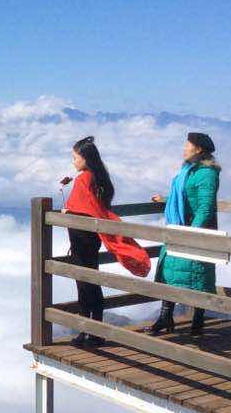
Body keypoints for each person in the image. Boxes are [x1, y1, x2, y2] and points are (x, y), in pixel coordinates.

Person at [59, 136, 151, 348]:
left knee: (83, 282)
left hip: (81, 237)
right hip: (94, 237)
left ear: (85, 158)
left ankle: (85, 331)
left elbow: (83, 207)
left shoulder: (83, 178)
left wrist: (67, 211)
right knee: (94, 280)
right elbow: (96, 207)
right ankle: (96, 330)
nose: (73, 162)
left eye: (75, 158)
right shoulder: (100, 177)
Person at [148, 132, 221, 335]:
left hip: (196, 232)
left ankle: (198, 322)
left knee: (198, 277)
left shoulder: (207, 173)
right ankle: (165, 316)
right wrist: (165, 199)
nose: (184, 149)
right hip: (180, 229)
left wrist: (192, 233)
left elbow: (205, 207)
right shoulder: (189, 170)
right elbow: (185, 195)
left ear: (198, 149)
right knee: (169, 271)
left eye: (187, 145)